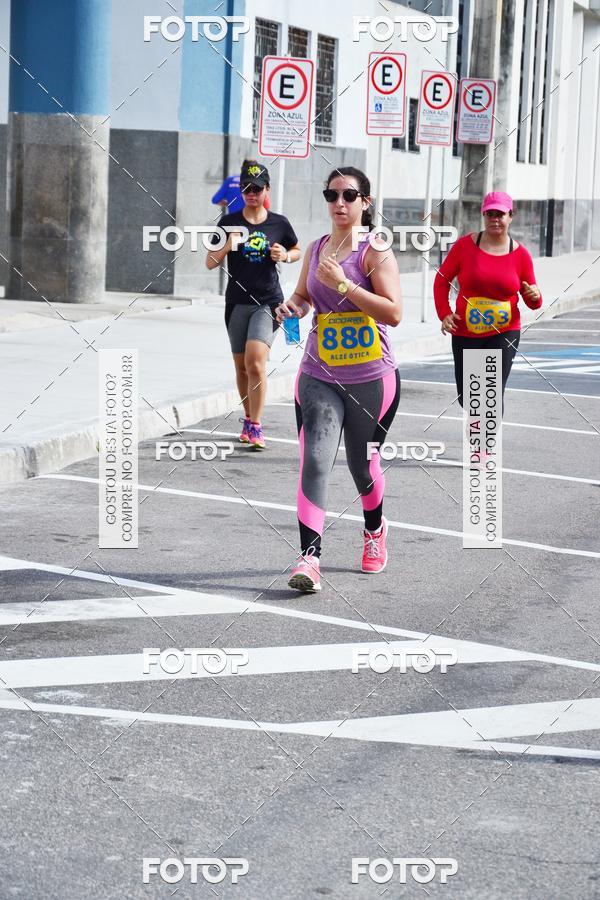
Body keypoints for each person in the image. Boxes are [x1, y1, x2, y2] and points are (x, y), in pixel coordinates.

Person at [276, 167, 402, 593]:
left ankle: (375, 530)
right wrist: (292, 307)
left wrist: (345, 285)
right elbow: (303, 296)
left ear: (366, 202)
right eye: (332, 195)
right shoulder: (316, 249)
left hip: (371, 378)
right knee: (314, 461)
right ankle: (309, 559)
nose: (340, 203)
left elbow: (393, 313)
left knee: (362, 466)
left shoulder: (375, 250)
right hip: (319, 373)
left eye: (349, 195)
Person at [206, 161, 300, 449]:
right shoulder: (228, 223)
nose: (251, 194)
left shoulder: (279, 223)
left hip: (268, 302)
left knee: (256, 362)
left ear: (267, 190)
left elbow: (297, 250)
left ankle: (257, 426)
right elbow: (210, 262)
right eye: (247, 189)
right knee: (241, 367)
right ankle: (248, 418)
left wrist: (285, 255)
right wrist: (227, 245)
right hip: (236, 302)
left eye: (257, 189)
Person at [434, 191, 542, 412]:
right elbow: (441, 281)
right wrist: (444, 313)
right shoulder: (464, 246)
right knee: (470, 396)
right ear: (483, 215)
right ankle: (478, 432)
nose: (495, 219)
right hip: (466, 332)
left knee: (490, 392)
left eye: (500, 214)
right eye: (489, 214)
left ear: (510, 216)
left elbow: (533, 300)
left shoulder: (521, 255)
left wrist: (535, 296)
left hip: (504, 332)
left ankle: (488, 435)